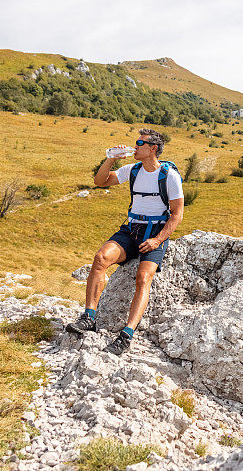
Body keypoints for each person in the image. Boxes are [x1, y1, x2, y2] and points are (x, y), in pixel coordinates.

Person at [65, 128, 184, 355]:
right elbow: (100, 181)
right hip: (131, 229)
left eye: (140, 143)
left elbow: (177, 214)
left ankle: (126, 335)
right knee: (100, 258)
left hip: (155, 232)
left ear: (153, 148)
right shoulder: (132, 169)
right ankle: (89, 316)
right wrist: (111, 159)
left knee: (143, 278)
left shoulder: (170, 176)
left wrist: (157, 241)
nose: (135, 146)